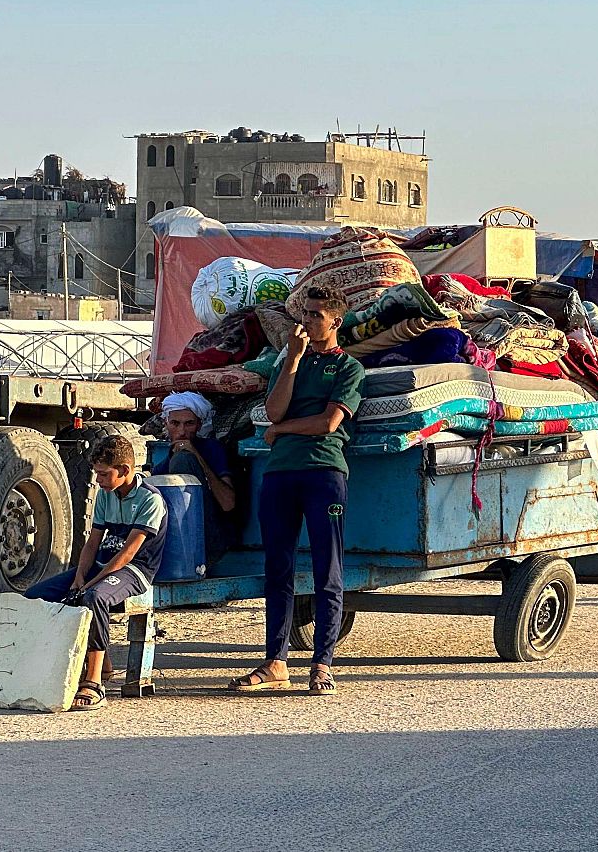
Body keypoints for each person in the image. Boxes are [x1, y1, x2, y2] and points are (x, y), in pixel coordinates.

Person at [230, 286, 364, 697]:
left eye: (316, 315)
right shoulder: (289, 360)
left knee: (327, 569)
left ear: (335, 322)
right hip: (280, 473)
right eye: (304, 313)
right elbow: (273, 410)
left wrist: (281, 431)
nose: (306, 321)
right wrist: (291, 358)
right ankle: (276, 661)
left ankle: (322, 663)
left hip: (323, 472)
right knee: (278, 568)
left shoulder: (348, 369)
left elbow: (327, 424)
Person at [24, 435, 167, 712]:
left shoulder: (151, 500)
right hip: (101, 566)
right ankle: (93, 666)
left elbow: (127, 554)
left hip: (134, 571)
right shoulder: (104, 494)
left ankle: (93, 681)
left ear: (124, 471)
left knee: (94, 597)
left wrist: (90, 583)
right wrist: (79, 575)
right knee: (36, 594)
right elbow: (93, 541)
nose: (98, 480)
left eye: (103, 474)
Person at [151, 392, 237, 561]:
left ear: (199, 426)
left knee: (183, 459)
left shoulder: (213, 449)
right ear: (166, 424)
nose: (182, 431)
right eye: (175, 423)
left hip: (212, 538)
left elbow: (228, 503)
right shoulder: (161, 467)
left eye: (189, 424)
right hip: (175, 544)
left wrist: (197, 457)